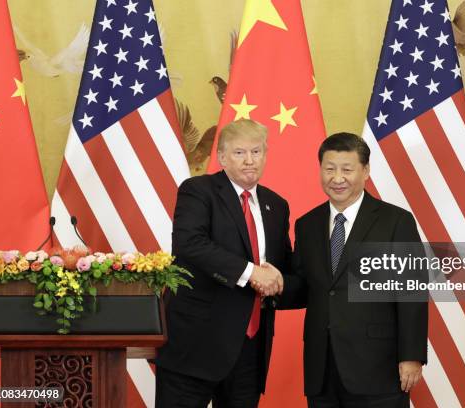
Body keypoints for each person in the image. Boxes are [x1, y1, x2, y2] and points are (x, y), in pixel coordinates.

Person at [265, 132, 428, 408]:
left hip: (378, 366)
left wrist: (411, 355)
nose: (337, 178)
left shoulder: (395, 221)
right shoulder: (307, 224)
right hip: (322, 367)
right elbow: (308, 287)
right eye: (329, 169)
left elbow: (411, 291)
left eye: (347, 169)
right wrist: (273, 284)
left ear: (365, 171)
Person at [155, 119, 290, 408]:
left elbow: (281, 268)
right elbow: (189, 245)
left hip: (250, 350)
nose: (250, 160)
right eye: (240, 153)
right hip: (195, 346)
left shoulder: (276, 205)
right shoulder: (198, 190)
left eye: (256, 151)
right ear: (222, 157)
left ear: (266, 155)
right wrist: (251, 271)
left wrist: (280, 279)